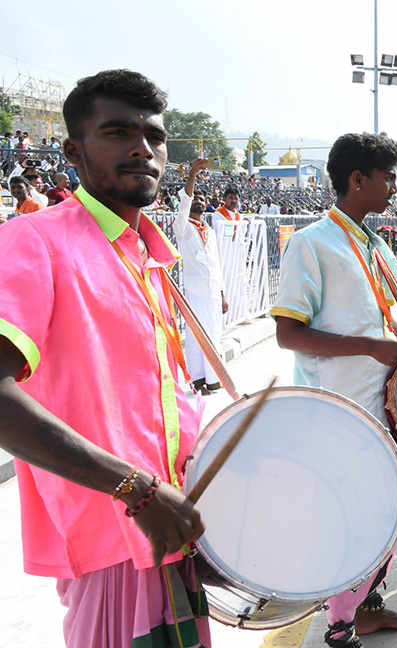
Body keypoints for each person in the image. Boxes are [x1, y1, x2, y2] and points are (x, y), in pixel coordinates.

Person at [0, 69, 210, 648]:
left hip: (168, 530)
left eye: (153, 136)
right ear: (73, 150)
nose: (142, 148)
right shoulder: (35, 240)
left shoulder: (149, 256)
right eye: (117, 132)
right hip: (112, 536)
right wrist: (136, 491)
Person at [271, 132, 397, 647]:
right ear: (357, 180)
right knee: (357, 513)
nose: (394, 187)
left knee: (396, 497)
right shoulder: (311, 243)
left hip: (378, 406)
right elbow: (288, 333)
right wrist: (370, 347)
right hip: (335, 411)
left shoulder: (374, 244)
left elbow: (382, 322)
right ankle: (341, 626)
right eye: (388, 177)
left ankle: (366, 606)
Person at [172, 158, 228, 394]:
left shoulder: (210, 231)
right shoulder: (183, 228)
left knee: (214, 334)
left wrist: (223, 294)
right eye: (195, 199)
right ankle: (198, 379)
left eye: (202, 200)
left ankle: (213, 378)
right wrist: (192, 175)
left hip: (214, 291)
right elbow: (185, 203)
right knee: (196, 336)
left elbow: (217, 265)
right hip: (196, 291)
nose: (198, 202)